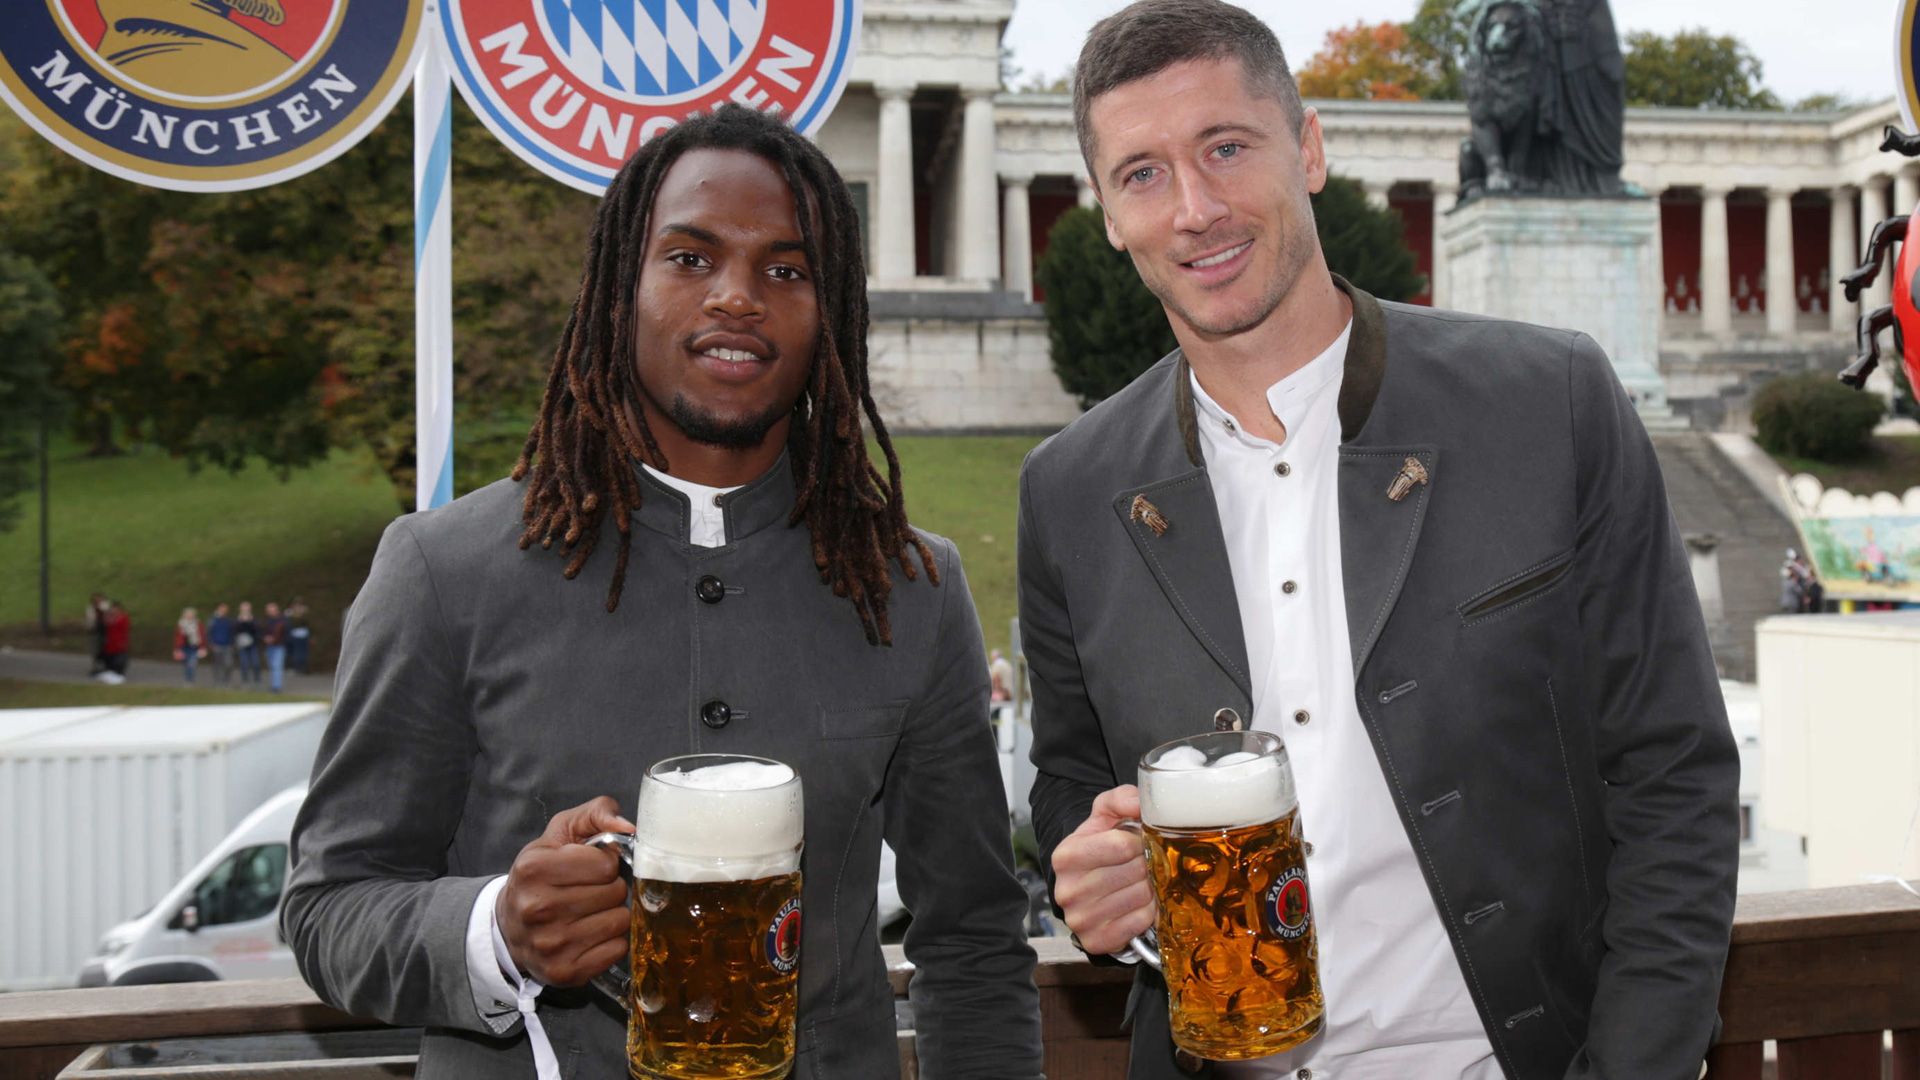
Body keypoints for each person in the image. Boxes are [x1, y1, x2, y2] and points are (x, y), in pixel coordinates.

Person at [1018, 4, 1739, 1078]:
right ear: (1110, 215)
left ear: (1307, 148)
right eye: (1144, 174)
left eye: (1226, 147)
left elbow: (1674, 773)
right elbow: (1073, 789)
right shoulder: (1069, 491)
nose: (1196, 209)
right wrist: (1100, 882)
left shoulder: (1551, 401)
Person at [283, 105, 1042, 1080]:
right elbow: (329, 905)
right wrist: (495, 929)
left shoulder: (913, 589)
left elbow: (974, 936)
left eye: (787, 269)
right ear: (618, 291)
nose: (737, 297)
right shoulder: (441, 572)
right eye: (689, 258)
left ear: (834, 311)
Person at [260, 602, 289, 694]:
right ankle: (274, 685)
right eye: (269, 610)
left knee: (277, 666)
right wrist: (265, 638)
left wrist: (275, 639)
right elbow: (261, 632)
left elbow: (286, 633)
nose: (270, 612)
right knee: (272, 666)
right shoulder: (266, 621)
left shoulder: (283, 620)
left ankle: (277, 687)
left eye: (272, 610)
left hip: (279, 646)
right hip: (269, 647)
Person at [173, 607, 208, 684]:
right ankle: (187, 679)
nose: (189, 616)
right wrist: (177, 649)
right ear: (184, 615)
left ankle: (190, 680)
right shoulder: (180, 624)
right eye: (188, 614)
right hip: (183, 647)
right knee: (186, 665)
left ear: (194, 615)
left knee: (192, 664)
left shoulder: (198, 624)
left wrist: (203, 647)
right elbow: (177, 638)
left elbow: (202, 636)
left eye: (191, 614)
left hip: (194, 647)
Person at [99, 601, 131, 683]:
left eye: (115, 609)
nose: (114, 611)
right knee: (109, 658)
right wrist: (106, 613)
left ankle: (119, 674)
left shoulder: (123, 617)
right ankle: (110, 673)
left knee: (119, 659)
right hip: (110, 642)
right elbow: (106, 622)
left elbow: (117, 625)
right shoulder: (111, 617)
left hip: (119, 642)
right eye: (112, 609)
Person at [206, 603, 237, 684]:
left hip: (228, 645)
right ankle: (217, 681)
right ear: (218, 609)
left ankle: (226, 680)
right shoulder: (213, 620)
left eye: (225, 609)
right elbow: (209, 632)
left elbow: (233, 632)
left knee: (229, 664)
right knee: (217, 664)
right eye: (222, 609)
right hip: (216, 645)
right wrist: (211, 643)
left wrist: (233, 643)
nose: (223, 611)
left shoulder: (229, 620)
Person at [233, 601, 260, 684]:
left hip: (253, 644)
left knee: (255, 663)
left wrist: (250, 621)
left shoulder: (254, 619)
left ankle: (257, 680)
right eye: (243, 608)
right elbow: (235, 630)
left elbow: (256, 630)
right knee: (244, 663)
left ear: (250, 609)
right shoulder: (237, 619)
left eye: (247, 608)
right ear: (240, 609)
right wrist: (240, 621)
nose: (245, 609)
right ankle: (245, 680)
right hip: (242, 645)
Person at [285, 598, 312, 674]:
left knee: (300, 652)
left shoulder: (291, 613)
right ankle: (300, 668)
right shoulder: (291, 613)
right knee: (300, 652)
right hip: (300, 634)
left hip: (299, 634)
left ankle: (301, 668)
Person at [85, 593, 109, 676]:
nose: (97, 601)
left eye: (99, 600)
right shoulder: (91, 609)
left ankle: (105, 667)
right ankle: (95, 668)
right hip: (94, 633)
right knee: (95, 651)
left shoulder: (105, 608)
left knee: (104, 651)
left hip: (105, 633)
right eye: (96, 600)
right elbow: (89, 622)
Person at [1780, 548, 1806, 614]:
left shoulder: (1785, 582)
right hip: (1792, 604)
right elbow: (1799, 591)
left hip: (1785, 603)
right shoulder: (1792, 582)